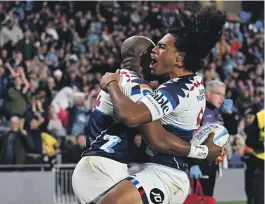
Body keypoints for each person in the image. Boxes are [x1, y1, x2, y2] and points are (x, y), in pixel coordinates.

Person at [72, 36, 223, 204]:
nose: (155, 53)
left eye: (161, 48)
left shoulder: (119, 79)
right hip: (105, 168)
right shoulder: (138, 86)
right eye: (154, 49)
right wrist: (203, 152)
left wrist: (111, 84)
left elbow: (151, 133)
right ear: (145, 54)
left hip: (104, 166)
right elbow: (153, 136)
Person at [189, 80, 238, 196]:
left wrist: (229, 114)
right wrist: (193, 164)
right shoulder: (199, 109)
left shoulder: (220, 111)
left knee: (208, 197)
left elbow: (233, 131)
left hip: (213, 162)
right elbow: (189, 137)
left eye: (224, 94)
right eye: (219, 94)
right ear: (209, 94)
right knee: (196, 198)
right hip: (199, 161)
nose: (222, 98)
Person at [243, 108, 264, 204]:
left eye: (249, 117)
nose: (248, 119)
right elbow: (250, 141)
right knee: (257, 196)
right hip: (258, 163)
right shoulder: (260, 116)